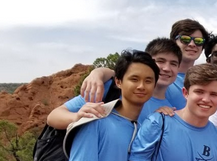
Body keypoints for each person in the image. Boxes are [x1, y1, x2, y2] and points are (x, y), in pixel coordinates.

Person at [46, 38, 181, 129]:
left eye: (173, 64)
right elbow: (53, 117)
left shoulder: (168, 109)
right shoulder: (110, 89)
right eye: (160, 61)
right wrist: (77, 117)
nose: (166, 68)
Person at [77, 19, 209, 110]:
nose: (192, 44)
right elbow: (125, 75)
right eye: (185, 39)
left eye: (198, 41)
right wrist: (98, 72)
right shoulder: (154, 76)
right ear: (172, 42)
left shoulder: (200, 81)